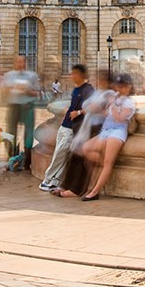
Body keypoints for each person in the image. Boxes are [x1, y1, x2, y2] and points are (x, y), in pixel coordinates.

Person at [74, 73, 137, 200]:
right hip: (105, 130)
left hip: (117, 132)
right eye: (118, 86)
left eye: (122, 86)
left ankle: (94, 191)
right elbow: (106, 113)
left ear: (128, 87)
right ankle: (106, 171)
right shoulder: (115, 97)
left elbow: (120, 119)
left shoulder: (130, 103)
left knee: (108, 162)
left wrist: (113, 106)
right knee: (86, 149)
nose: (119, 89)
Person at [39, 65, 92, 194]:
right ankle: (54, 181)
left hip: (72, 128)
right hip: (65, 126)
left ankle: (48, 179)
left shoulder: (88, 90)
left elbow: (93, 107)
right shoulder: (76, 90)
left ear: (81, 75)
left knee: (60, 153)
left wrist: (79, 112)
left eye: (74, 73)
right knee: (59, 153)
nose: (71, 76)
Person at [0, 57, 39, 167]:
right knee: (11, 131)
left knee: (29, 132)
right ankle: (11, 157)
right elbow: (3, 91)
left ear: (25, 63)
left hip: (27, 106)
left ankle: (27, 158)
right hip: (13, 106)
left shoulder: (32, 76)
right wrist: (9, 88)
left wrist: (27, 91)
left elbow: (37, 93)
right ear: (14, 63)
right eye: (18, 61)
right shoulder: (9, 75)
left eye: (22, 61)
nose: (20, 63)